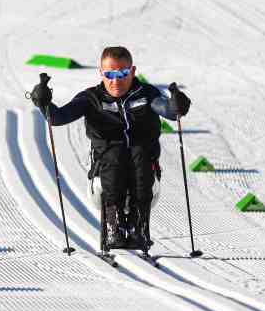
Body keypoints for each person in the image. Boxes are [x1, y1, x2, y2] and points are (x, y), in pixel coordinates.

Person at [29, 46, 191, 252]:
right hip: (106, 167)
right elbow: (60, 117)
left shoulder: (147, 93)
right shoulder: (91, 98)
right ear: (101, 73)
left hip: (144, 166)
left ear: (132, 71)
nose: (116, 80)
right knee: (114, 156)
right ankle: (112, 224)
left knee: (139, 154)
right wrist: (44, 103)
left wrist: (177, 105)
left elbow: (165, 109)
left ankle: (137, 226)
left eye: (122, 73)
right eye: (110, 74)